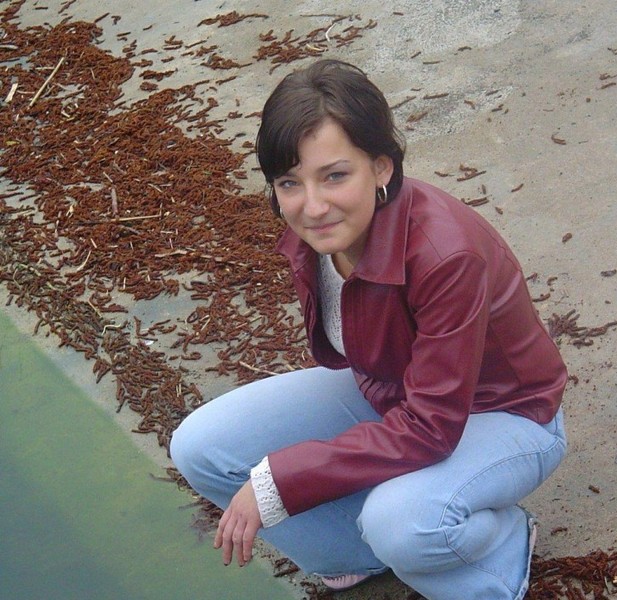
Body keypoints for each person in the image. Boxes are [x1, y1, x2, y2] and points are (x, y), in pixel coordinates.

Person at [170, 59, 568, 600]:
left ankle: (500, 557)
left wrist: (281, 481)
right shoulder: (322, 236)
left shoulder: (447, 255)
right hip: (391, 391)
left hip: (503, 413)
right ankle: (353, 552)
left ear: (381, 167)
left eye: (335, 176)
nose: (313, 207)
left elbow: (431, 426)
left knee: (402, 523)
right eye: (289, 183)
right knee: (201, 448)